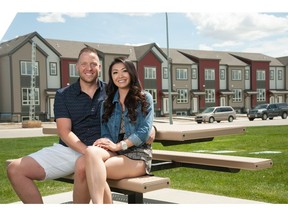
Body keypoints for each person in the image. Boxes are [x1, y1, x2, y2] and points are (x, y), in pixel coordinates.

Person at [6, 46, 106, 203]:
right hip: (70, 149)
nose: (89, 68)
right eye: (84, 64)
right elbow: (64, 132)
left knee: (82, 167)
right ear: (77, 67)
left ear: (100, 67)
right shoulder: (63, 95)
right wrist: (87, 152)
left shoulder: (112, 91)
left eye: (93, 64)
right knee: (15, 169)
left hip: (101, 151)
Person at [73, 57, 154, 204]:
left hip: (137, 155)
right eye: (115, 72)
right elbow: (106, 133)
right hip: (115, 152)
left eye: (124, 71)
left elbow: (144, 132)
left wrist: (119, 146)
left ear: (132, 73)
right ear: (111, 77)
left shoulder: (144, 98)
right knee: (90, 153)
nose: (120, 76)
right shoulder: (107, 103)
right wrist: (105, 142)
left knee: (92, 170)